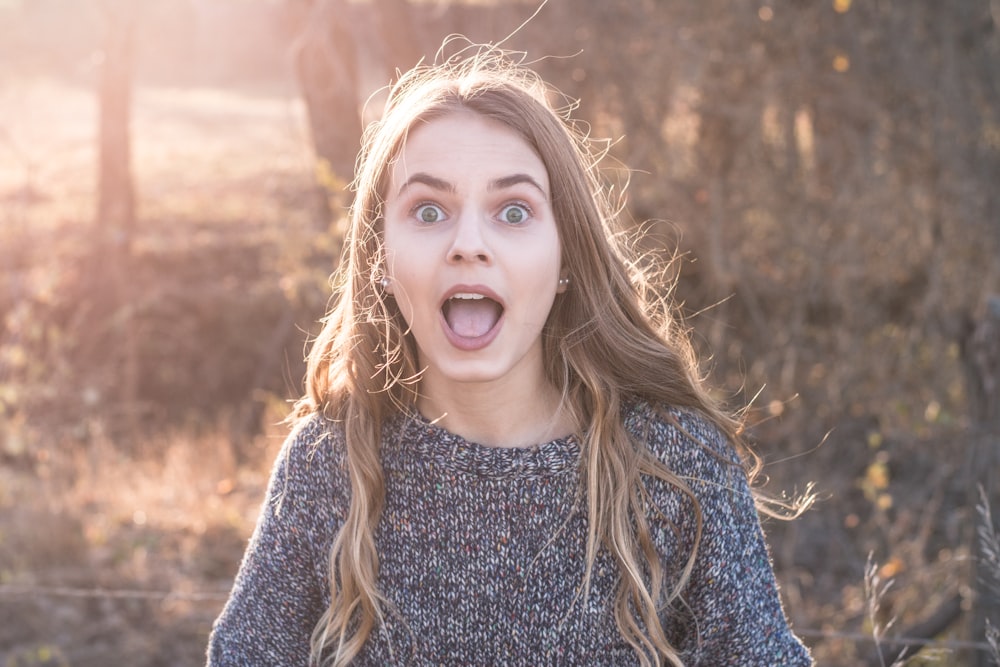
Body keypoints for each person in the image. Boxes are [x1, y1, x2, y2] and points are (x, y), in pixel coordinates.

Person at [207, 47, 813, 666]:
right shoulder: (331, 464)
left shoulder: (675, 467)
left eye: (514, 212)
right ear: (379, 258)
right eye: (428, 210)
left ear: (565, 259)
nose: (468, 244)